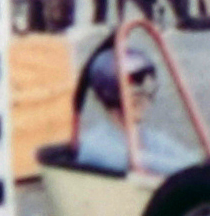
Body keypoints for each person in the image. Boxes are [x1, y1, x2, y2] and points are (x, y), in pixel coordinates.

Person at [75, 45, 201, 176]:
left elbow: (190, 161)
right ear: (111, 95)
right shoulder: (96, 146)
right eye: (136, 96)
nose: (144, 100)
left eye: (146, 93)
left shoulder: (150, 139)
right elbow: (144, 162)